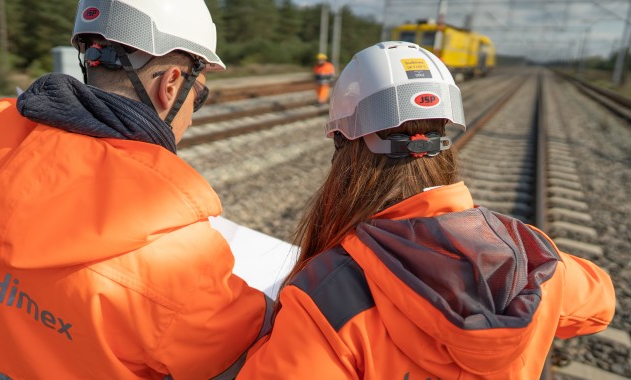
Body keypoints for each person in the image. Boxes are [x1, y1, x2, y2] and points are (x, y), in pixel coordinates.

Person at [0, 1, 272, 378]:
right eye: (201, 96)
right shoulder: (182, 262)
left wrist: (1, 123)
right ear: (171, 84)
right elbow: (263, 359)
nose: (193, 114)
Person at [237, 41, 616, 379]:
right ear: (446, 136)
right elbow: (600, 303)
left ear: (343, 143)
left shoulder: (323, 298)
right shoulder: (532, 260)